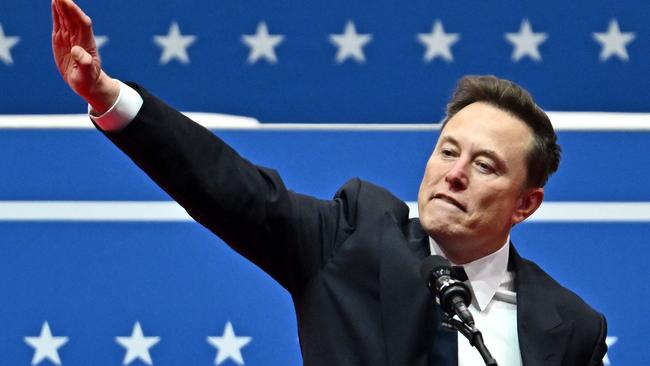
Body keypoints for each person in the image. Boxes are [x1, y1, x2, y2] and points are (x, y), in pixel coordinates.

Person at [51, 0, 608, 365]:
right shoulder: (351, 239)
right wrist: (108, 98)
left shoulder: (573, 330)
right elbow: (229, 187)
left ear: (526, 203)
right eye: (447, 151)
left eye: (484, 166)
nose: (454, 174)